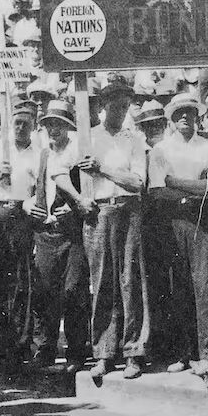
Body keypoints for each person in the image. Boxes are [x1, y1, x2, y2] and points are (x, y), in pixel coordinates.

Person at [148, 93, 208, 374]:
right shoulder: (161, 149)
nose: (185, 117)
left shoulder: (207, 146)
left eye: (190, 112)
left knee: (204, 286)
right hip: (172, 222)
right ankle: (184, 352)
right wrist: (194, 189)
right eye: (179, 112)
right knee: (178, 287)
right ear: (171, 117)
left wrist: (177, 184)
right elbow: (157, 189)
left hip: (202, 221)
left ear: (197, 117)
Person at [78, 78, 148, 381]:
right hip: (99, 212)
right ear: (103, 105)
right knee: (102, 282)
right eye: (113, 104)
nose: (119, 110)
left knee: (130, 281)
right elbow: (59, 173)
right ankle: (104, 353)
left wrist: (103, 169)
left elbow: (137, 182)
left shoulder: (134, 138)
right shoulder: (87, 137)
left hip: (128, 210)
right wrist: (78, 198)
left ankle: (133, 351)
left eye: (124, 105)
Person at [25, 101, 90, 374]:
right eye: (49, 125)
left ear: (68, 128)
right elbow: (31, 190)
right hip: (45, 232)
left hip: (71, 232)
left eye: (59, 125)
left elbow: (88, 193)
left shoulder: (77, 154)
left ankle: (76, 352)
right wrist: (28, 204)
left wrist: (74, 208)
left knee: (74, 291)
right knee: (45, 293)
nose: (54, 130)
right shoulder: (42, 155)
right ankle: (45, 349)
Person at [0, 101, 39, 374]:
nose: (21, 126)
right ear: (8, 124)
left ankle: (20, 346)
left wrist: (30, 202)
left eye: (27, 122)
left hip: (23, 216)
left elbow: (41, 187)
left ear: (34, 126)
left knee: (21, 282)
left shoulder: (38, 154)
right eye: (16, 122)